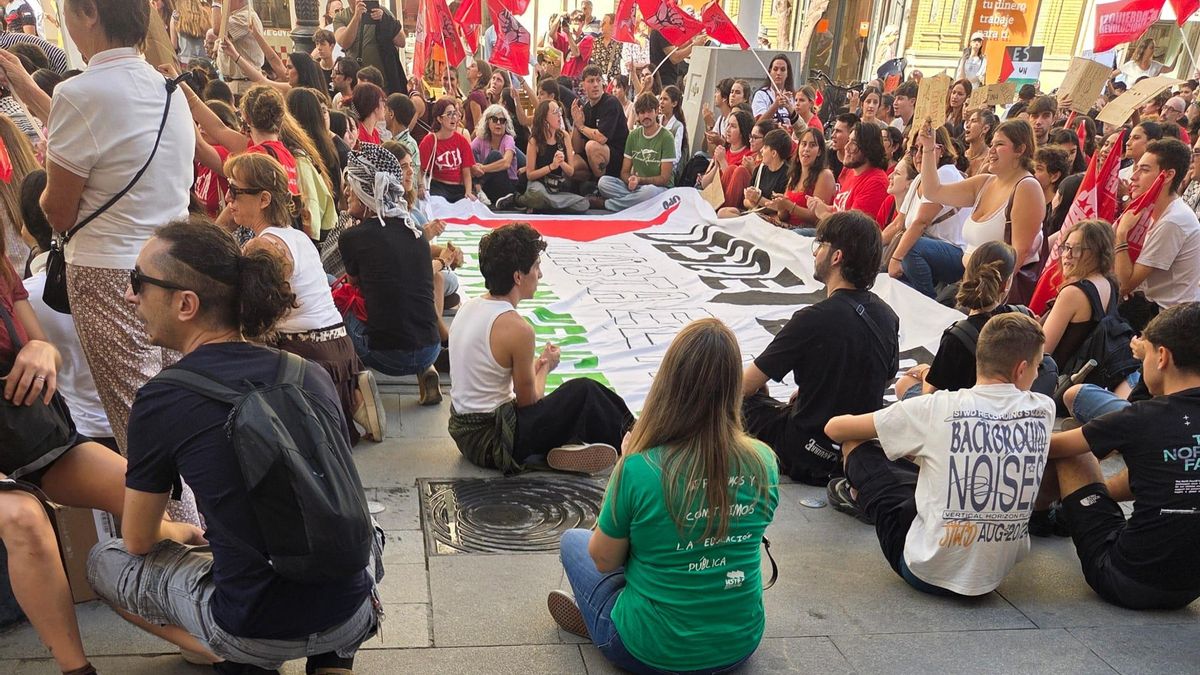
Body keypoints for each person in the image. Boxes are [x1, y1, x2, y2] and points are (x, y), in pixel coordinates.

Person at [87, 217, 383, 673]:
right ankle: (333, 656)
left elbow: (140, 539)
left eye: (138, 282)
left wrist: (181, 532)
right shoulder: (307, 373)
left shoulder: (162, 398)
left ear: (186, 303)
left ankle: (228, 653)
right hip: (351, 606)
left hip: (253, 624)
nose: (130, 295)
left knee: (105, 558)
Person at [0, 0, 201, 524]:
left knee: (141, 423)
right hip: (174, 265)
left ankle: (183, 552)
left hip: (110, 277)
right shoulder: (168, 92)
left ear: (89, 13)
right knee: (180, 408)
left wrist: (45, 202)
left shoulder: (81, 93)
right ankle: (207, 529)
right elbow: (104, 136)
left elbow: (58, 210)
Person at [547, 319, 779, 674]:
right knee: (652, 549)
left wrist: (623, 464)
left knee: (574, 541)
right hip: (738, 645)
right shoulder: (764, 462)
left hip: (646, 649)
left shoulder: (640, 468)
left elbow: (604, 560)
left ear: (670, 382)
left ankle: (600, 626)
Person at [825, 313, 1055, 594]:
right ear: (1021, 369)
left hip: (924, 570)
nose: (1036, 373)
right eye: (1038, 366)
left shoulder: (938, 407)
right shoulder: (1044, 409)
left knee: (855, 444)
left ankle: (857, 495)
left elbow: (835, 429)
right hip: (994, 574)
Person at [0, 194, 129, 675]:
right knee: (24, 518)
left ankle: (222, 628)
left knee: (140, 488)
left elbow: (44, 346)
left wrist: (39, 352)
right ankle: (77, 670)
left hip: (28, 434)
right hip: (20, 444)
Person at [447, 223, 634, 474]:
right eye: (536, 267)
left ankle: (567, 446)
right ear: (518, 276)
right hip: (494, 442)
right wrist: (545, 367)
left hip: (464, 434)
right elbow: (529, 405)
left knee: (569, 402)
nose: (540, 275)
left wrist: (536, 367)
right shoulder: (518, 329)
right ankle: (642, 442)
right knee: (584, 393)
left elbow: (489, 382)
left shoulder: (468, 308)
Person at [1047, 303, 1200, 609]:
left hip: (1124, 579)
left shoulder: (1141, 416)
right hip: (1189, 590)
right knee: (1167, 463)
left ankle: (1045, 517)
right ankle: (1079, 507)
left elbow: (1053, 448)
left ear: (1162, 356)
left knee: (1074, 449)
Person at [224, 152, 382, 444]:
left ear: (264, 199)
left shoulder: (263, 245)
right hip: (339, 350)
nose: (227, 199)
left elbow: (257, 317)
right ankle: (354, 398)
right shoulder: (296, 236)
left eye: (234, 191)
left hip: (306, 358)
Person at [742, 211, 899, 485]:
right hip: (852, 455)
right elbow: (884, 376)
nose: (815, 254)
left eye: (820, 246)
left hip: (805, 453)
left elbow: (745, 385)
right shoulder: (887, 316)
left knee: (742, 401)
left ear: (836, 257)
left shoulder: (812, 319)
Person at [338, 145, 444, 405]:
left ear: (366, 191)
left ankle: (358, 387)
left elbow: (354, 287)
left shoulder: (353, 237)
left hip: (386, 356)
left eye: (352, 184)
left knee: (336, 302)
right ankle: (425, 371)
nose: (347, 192)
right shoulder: (416, 232)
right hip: (431, 349)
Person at [919, 119, 1044, 295]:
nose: (991, 151)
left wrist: (987, 300)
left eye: (999, 144)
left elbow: (1019, 253)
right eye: (991, 144)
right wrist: (928, 148)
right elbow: (933, 192)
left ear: (1020, 149)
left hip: (991, 294)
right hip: (968, 283)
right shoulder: (984, 182)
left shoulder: (1027, 188)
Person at [897, 242, 1021, 397]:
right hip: (1005, 404)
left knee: (904, 383)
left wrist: (924, 371)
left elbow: (930, 394)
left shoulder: (957, 336)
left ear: (966, 276)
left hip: (958, 413)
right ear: (1006, 284)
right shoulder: (1020, 318)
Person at [1115, 138, 1200, 331]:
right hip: (1150, 311)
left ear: (1168, 175)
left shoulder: (1174, 220)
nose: (1133, 176)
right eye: (1136, 168)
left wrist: (1121, 235)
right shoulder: (1157, 211)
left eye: (1144, 170)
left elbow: (1125, 284)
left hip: (1167, 324)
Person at [888, 126, 971, 298]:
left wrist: (895, 259)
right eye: (914, 149)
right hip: (927, 251)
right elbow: (898, 224)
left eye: (925, 148)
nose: (918, 155)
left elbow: (921, 223)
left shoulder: (945, 173)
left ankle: (926, 300)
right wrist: (870, 247)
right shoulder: (920, 177)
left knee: (910, 248)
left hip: (954, 253)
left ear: (941, 150)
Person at [597, 92, 675, 212]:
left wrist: (640, 180)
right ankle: (636, 202)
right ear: (638, 115)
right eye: (642, 113)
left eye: (649, 111)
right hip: (636, 187)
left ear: (656, 111)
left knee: (649, 192)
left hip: (658, 189)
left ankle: (607, 204)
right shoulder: (633, 135)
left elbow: (665, 179)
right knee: (603, 183)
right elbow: (624, 172)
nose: (646, 116)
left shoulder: (667, 137)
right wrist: (631, 180)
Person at [812, 121, 890, 226]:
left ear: (868, 148)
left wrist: (823, 214)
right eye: (848, 140)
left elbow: (852, 228)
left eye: (853, 143)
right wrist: (823, 206)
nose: (846, 147)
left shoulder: (876, 182)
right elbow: (840, 209)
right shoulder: (850, 170)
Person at [521, 100, 589, 213]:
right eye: (555, 112)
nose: (559, 115)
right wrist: (551, 166)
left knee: (583, 204)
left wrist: (561, 163)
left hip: (557, 188)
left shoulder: (564, 136)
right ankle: (521, 200)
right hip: (539, 185)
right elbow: (530, 175)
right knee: (537, 194)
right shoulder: (534, 141)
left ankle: (542, 205)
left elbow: (571, 172)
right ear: (544, 119)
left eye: (559, 111)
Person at [332, 0, 406, 93]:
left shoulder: (383, 12)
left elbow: (402, 42)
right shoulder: (341, 17)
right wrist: (356, 17)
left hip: (383, 81)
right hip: (356, 81)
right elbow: (344, 42)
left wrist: (385, 20)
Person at [570, 65, 629, 182]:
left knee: (592, 146)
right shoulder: (586, 108)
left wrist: (581, 126)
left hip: (617, 156)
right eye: (591, 81)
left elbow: (601, 138)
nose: (596, 84)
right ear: (583, 85)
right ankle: (587, 186)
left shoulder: (611, 102)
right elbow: (577, 148)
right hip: (594, 157)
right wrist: (576, 124)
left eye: (598, 80)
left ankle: (601, 187)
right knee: (572, 164)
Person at [716, 129, 791, 218]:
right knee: (723, 212)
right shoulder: (760, 168)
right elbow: (745, 201)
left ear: (773, 153)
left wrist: (758, 199)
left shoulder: (787, 174)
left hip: (768, 217)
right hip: (753, 212)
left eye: (765, 147)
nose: (762, 150)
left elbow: (780, 208)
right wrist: (751, 201)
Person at [772, 126, 836, 227]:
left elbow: (817, 217)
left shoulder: (825, 175)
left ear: (819, 152)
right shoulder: (794, 174)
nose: (806, 149)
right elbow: (783, 217)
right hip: (787, 228)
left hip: (808, 232)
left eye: (812, 145)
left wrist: (789, 206)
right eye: (804, 144)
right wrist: (781, 206)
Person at [419, 97, 477, 203]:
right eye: (449, 114)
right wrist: (421, 186)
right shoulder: (430, 140)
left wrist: (468, 191)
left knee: (469, 207)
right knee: (439, 205)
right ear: (439, 119)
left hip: (458, 188)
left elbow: (466, 171)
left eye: (455, 114)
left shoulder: (462, 140)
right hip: (438, 187)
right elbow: (421, 169)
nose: (454, 118)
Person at [471, 104, 520, 206]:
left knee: (495, 155)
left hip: (506, 185)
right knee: (470, 157)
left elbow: (506, 163)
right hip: (488, 186)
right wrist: (474, 167)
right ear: (487, 122)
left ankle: (477, 188)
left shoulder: (508, 139)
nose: (498, 123)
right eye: (494, 119)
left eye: (502, 121)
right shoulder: (481, 139)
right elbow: (467, 152)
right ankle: (478, 190)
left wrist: (483, 168)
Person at [752, 54, 796, 127]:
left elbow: (801, 123)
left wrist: (789, 107)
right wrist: (775, 105)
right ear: (770, 71)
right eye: (775, 69)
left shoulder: (793, 96)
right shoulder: (761, 95)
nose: (778, 73)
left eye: (782, 69)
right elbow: (758, 124)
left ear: (787, 73)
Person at [658, 85, 688, 171]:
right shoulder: (657, 121)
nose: (661, 102)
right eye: (660, 99)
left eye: (665, 99)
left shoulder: (677, 126)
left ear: (674, 103)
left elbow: (676, 155)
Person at [963, 108, 997, 177]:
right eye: (968, 121)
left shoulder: (991, 159)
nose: (967, 126)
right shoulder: (959, 155)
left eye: (973, 121)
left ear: (985, 128)